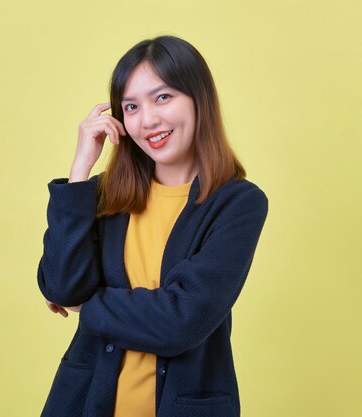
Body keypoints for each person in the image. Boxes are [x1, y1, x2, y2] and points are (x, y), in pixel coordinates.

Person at [36, 35, 268, 417]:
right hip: (83, 404)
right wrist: (79, 173)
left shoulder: (238, 204)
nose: (148, 120)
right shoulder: (103, 196)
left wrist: (84, 304)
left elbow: (181, 321)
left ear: (198, 99)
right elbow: (62, 285)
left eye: (163, 97)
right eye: (130, 106)